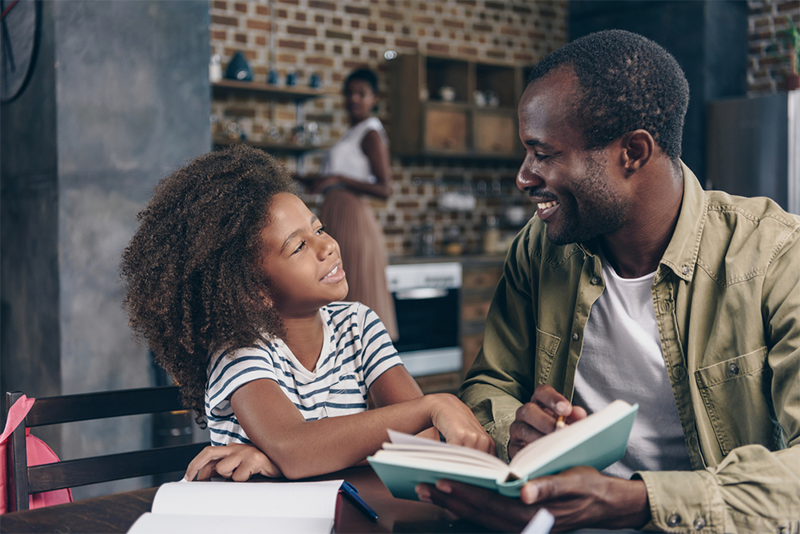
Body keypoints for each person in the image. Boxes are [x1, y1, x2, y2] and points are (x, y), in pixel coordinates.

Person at [415, 30, 800, 533]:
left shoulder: (775, 257)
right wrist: (521, 432)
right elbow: (492, 382)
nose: (524, 177)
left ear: (633, 152)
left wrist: (632, 501)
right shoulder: (539, 248)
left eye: (544, 153)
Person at [120, 144, 493, 482]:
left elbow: (422, 440)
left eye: (319, 229)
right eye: (298, 246)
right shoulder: (240, 349)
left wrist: (283, 459)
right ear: (255, 290)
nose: (328, 246)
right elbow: (297, 448)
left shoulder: (358, 326)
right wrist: (435, 404)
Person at [300, 68, 398, 340]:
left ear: (374, 98)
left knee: (353, 294)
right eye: (349, 93)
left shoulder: (371, 132)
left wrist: (338, 178)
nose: (354, 98)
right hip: (336, 216)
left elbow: (384, 188)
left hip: (353, 221)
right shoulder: (352, 132)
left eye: (361, 94)